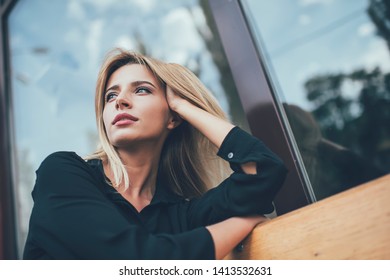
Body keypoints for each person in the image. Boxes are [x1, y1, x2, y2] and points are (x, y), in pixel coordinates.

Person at [23, 49, 288, 260]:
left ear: (173, 118)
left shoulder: (179, 214)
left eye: (141, 90)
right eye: (110, 95)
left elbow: (263, 171)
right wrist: (244, 222)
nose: (120, 101)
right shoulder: (61, 173)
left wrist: (183, 105)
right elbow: (137, 262)